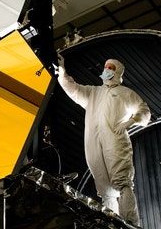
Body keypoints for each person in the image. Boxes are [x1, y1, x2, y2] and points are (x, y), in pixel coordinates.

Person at [56, 54, 150, 227]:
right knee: (105, 189)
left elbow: (144, 110)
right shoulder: (94, 93)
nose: (106, 70)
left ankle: (131, 223)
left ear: (118, 72)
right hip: (93, 142)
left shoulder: (125, 93)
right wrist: (62, 74)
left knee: (122, 182)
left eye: (111, 68)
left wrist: (132, 121)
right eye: (105, 67)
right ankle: (112, 223)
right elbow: (74, 89)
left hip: (115, 140)